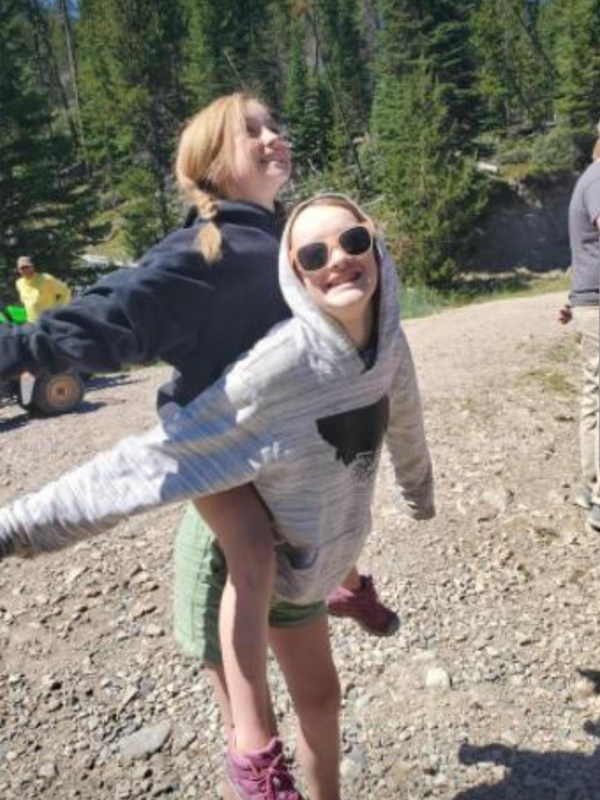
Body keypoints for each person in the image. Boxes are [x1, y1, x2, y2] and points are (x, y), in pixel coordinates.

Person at [0, 94, 397, 793]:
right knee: (249, 546)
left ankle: (348, 582)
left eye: (277, 124)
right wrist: (19, 350)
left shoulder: (284, 241)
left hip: (286, 445)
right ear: (212, 161)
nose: (275, 136)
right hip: (215, 446)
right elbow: (114, 311)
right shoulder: (202, 249)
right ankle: (254, 758)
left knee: (341, 485)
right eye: (252, 131)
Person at [558, 125, 600, 532]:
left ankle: (592, 486)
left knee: (594, 397)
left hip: (591, 301)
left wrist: (575, 300)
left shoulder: (588, 177)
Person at [15, 255, 72, 322]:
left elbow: (66, 292)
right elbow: (26, 304)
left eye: (27, 267)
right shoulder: (19, 283)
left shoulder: (46, 278)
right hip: (33, 324)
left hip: (50, 321)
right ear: (18, 270)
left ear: (33, 267)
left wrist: (59, 310)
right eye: (22, 268)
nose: (25, 269)